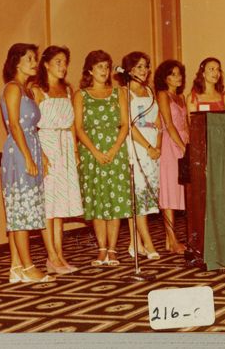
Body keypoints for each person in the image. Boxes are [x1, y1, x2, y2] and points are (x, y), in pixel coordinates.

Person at [0, 43, 55, 283]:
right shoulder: (12, 88)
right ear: (16, 63)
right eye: (29, 58)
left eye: (35, 58)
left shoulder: (27, 90)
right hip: (18, 153)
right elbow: (14, 125)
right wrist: (28, 157)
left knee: (23, 209)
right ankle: (28, 266)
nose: (34, 62)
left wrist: (40, 154)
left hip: (30, 147)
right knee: (20, 210)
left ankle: (16, 267)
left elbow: (32, 128)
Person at [73, 50, 131, 266]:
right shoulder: (81, 95)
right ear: (90, 69)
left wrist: (115, 149)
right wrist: (95, 151)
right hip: (92, 152)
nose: (105, 71)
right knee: (97, 201)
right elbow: (78, 127)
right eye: (100, 67)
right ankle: (102, 249)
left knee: (115, 200)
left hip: (115, 151)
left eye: (107, 67)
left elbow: (125, 124)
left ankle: (114, 249)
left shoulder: (119, 93)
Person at [31, 45, 84, 275]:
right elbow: (31, 125)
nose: (63, 67)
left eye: (65, 62)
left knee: (60, 206)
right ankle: (51, 256)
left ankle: (60, 256)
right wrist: (40, 154)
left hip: (64, 147)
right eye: (58, 62)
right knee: (48, 205)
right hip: (47, 144)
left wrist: (74, 149)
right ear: (46, 64)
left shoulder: (68, 89)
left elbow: (72, 123)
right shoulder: (36, 89)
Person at [117, 51, 160, 260]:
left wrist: (157, 145)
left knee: (144, 197)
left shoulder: (150, 91)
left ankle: (135, 242)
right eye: (140, 67)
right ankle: (148, 243)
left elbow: (158, 122)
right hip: (136, 145)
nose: (144, 71)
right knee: (138, 195)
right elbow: (129, 125)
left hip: (153, 146)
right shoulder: (124, 93)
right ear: (130, 70)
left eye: (146, 66)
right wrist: (148, 146)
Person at [155, 60, 189, 254]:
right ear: (165, 77)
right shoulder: (163, 94)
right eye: (173, 74)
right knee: (169, 191)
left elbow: (185, 123)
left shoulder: (181, 97)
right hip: (171, 144)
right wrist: (181, 146)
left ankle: (172, 240)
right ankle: (171, 239)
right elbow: (168, 123)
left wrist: (189, 145)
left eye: (179, 74)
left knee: (181, 191)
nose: (177, 77)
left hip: (183, 142)